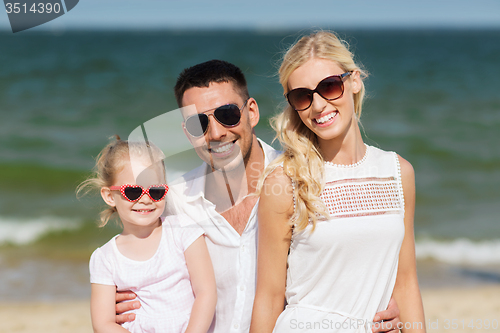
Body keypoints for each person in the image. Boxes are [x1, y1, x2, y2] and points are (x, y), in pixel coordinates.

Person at [115, 60, 403, 333]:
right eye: (198, 124)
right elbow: (135, 268)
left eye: (227, 115)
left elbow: (355, 252)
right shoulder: (172, 200)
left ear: (251, 112)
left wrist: (386, 306)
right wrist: (117, 299)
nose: (215, 133)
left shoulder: (304, 181)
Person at [249, 31, 426, 333]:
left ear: (354, 81)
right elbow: (269, 297)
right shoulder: (285, 182)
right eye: (302, 96)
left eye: (329, 86)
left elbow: (406, 283)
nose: (318, 105)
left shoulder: (398, 172)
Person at [79, 137, 217, 333]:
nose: (145, 199)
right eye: (133, 192)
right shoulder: (105, 258)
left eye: (156, 190)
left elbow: (206, 292)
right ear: (110, 196)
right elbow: (103, 323)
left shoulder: (183, 231)